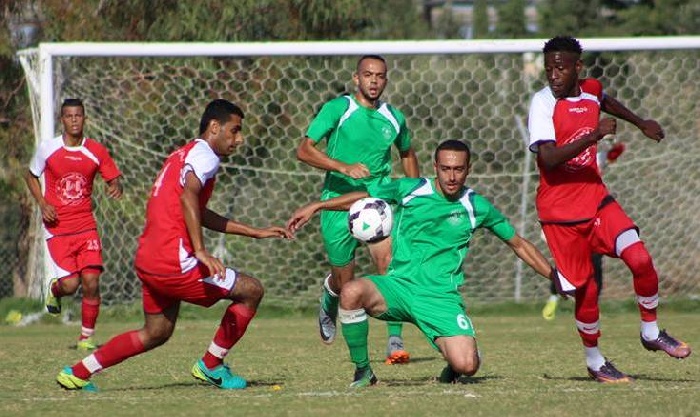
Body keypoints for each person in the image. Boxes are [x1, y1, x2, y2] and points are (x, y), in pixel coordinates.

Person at [55, 99, 292, 392]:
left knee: (156, 332)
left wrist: (252, 232)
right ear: (214, 127)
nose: (239, 138)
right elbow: (188, 198)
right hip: (175, 261)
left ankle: (77, 372)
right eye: (235, 130)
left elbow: (197, 210)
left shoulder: (182, 154)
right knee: (251, 291)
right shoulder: (206, 155)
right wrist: (201, 251)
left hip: (149, 258)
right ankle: (212, 365)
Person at [287, 140, 555, 387]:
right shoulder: (411, 189)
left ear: (468, 169)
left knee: (468, 365)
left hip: (439, 297)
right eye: (446, 168)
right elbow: (363, 195)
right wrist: (317, 206)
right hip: (398, 287)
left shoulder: (476, 206)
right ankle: (363, 371)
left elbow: (518, 244)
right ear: (435, 167)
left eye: (458, 169)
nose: (451, 176)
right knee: (351, 291)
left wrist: (555, 277)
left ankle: (455, 362)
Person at [527, 36, 691, 383]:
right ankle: (595, 360)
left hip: (596, 197)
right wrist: (593, 136)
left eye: (561, 68)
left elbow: (605, 100)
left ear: (577, 68)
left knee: (640, 258)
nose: (553, 75)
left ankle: (650, 331)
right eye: (549, 68)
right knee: (585, 290)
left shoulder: (590, 90)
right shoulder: (542, 103)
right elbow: (548, 158)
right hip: (560, 212)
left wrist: (639, 121)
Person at [296, 54, 420, 364]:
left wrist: (414, 191)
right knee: (346, 284)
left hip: (377, 202)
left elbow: (407, 153)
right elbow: (303, 150)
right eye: (368, 75)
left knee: (390, 268)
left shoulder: (394, 118)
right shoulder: (339, 108)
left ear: (386, 81)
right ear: (356, 78)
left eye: (380, 76)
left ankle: (394, 339)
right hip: (337, 204)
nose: (374, 81)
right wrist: (343, 167)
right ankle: (330, 293)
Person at [25, 98, 123, 351]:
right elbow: (30, 175)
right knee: (70, 285)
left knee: (91, 280)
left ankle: (86, 338)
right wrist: (42, 203)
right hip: (57, 228)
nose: (74, 120)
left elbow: (112, 177)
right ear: (62, 120)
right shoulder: (48, 149)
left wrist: (115, 185)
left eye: (78, 115)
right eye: (69, 116)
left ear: (85, 118)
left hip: (86, 226)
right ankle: (55, 291)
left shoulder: (95, 150)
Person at [541, 140, 626, 320]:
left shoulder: (596, 157)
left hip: (592, 213)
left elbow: (615, 152)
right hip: (567, 215)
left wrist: (610, 142)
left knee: (596, 261)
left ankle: (593, 304)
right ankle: (554, 296)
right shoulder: (562, 159)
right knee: (567, 261)